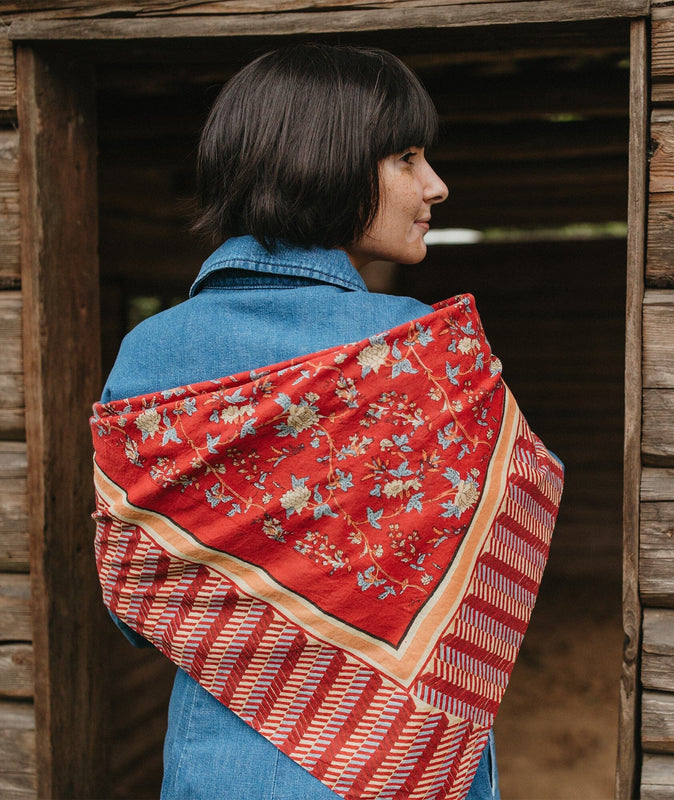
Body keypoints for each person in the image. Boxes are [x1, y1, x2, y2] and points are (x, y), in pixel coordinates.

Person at [92, 44, 562, 800]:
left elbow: (137, 609)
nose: (435, 185)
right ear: (326, 161)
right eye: (406, 157)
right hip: (407, 766)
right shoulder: (421, 353)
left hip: (226, 769)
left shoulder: (150, 354)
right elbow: (488, 579)